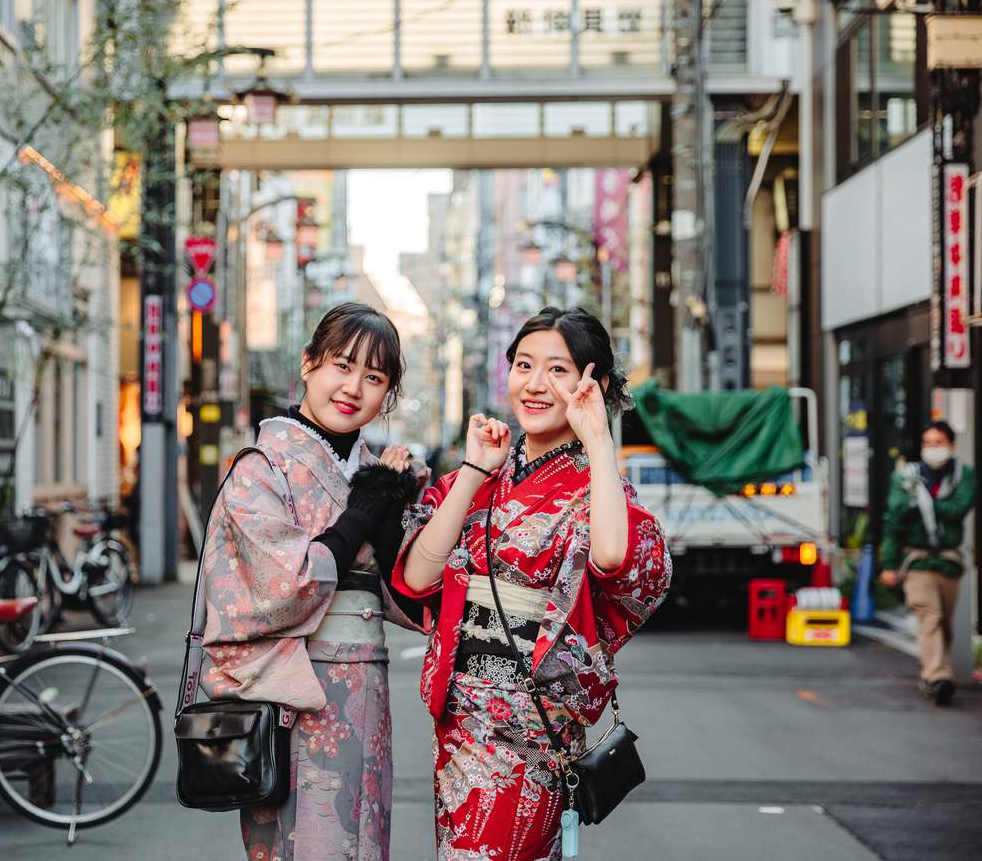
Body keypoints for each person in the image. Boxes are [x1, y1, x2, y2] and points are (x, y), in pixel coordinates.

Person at [391, 306, 672, 860]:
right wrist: (475, 470)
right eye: (523, 365)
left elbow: (613, 558)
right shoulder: (481, 475)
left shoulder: (597, 485)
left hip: (532, 723)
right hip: (461, 718)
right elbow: (417, 576)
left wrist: (598, 441)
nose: (536, 384)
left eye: (558, 370)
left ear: (596, 384)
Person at [199, 302, 427, 860]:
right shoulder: (261, 466)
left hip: (364, 683)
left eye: (374, 377)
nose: (353, 387)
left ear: (389, 392)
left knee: (360, 835)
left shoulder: (379, 468)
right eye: (341, 366)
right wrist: (365, 510)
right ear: (308, 364)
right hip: (290, 693)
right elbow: (286, 585)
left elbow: (415, 589)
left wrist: (394, 506)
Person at [878, 420, 976, 706]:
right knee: (929, 615)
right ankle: (939, 677)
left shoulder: (963, 476)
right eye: (928, 443)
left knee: (942, 623)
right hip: (917, 561)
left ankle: (929, 674)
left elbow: (959, 509)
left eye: (939, 443)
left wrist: (921, 503)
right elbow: (894, 520)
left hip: (948, 561)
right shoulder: (906, 478)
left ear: (952, 446)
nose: (933, 449)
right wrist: (888, 564)